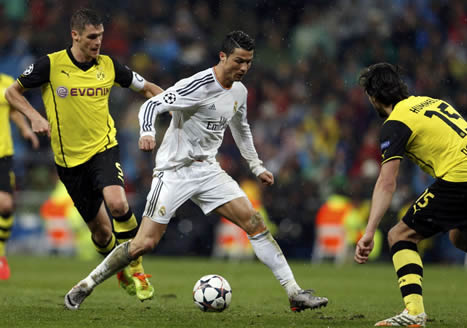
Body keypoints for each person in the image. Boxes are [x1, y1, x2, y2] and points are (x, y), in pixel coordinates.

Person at [63, 30, 328, 312]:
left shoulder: (239, 91)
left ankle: (294, 293)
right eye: (239, 61)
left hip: (208, 171)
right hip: (174, 172)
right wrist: (147, 132)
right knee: (144, 243)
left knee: (255, 224)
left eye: (248, 62)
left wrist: (256, 165)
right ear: (223, 56)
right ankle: (86, 285)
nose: (244, 68)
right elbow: (152, 104)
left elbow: (242, 129)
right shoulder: (197, 85)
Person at [5, 8, 163, 300]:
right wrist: (34, 117)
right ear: (75, 36)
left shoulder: (109, 66)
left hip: (104, 149)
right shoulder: (50, 65)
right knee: (102, 235)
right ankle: (119, 270)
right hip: (69, 162)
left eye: (100, 36)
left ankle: (137, 267)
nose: (97, 42)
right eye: (91, 37)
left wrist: (176, 104)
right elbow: (12, 93)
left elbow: (148, 89)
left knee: (117, 203)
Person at [354, 63, 467, 327]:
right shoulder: (430, 102)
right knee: (461, 237)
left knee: (399, 235)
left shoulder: (396, 123)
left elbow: (386, 182)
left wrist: (370, 230)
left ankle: (414, 313)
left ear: (373, 97)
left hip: (465, 177)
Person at [0, 73, 39, 280]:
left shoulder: (7, 82)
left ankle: (0, 254)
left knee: (5, 205)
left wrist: (25, 129)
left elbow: (13, 110)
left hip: (2, 154)